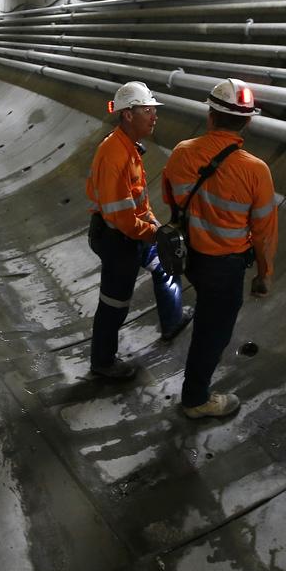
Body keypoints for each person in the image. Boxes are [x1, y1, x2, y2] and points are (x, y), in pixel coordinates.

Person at [162, 78, 278, 417]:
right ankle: (196, 401)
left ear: (211, 115)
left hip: (191, 259)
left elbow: (172, 201)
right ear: (248, 121)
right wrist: (265, 274)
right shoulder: (256, 171)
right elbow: (264, 232)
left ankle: (196, 390)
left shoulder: (182, 152)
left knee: (208, 322)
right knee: (213, 332)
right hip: (225, 267)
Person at [86, 81, 192, 380]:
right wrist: (154, 234)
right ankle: (103, 363)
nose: (154, 116)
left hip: (134, 232)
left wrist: (156, 225)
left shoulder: (128, 147)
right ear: (128, 115)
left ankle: (172, 321)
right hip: (118, 239)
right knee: (114, 304)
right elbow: (120, 216)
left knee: (165, 267)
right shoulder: (114, 155)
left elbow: (136, 202)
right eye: (148, 110)